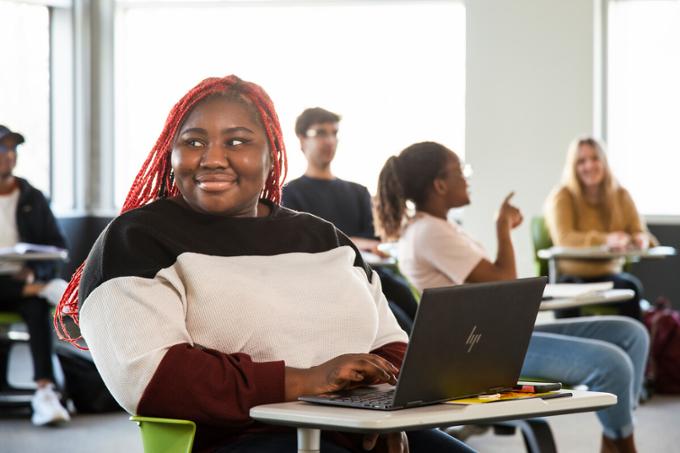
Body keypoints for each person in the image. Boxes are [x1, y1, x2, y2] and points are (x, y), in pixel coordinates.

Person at [55, 77, 473, 453]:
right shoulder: (136, 239)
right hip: (240, 437)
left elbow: (391, 344)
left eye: (237, 141)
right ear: (171, 152)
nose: (213, 158)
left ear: (273, 154)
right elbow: (149, 375)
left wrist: (381, 411)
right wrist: (306, 381)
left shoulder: (324, 238)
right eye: (194, 142)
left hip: (357, 430)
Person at [374, 141, 649, 453]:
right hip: (478, 351)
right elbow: (505, 282)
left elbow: (497, 290)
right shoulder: (429, 233)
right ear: (439, 185)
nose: (467, 177)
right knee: (612, 365)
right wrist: (502, 226)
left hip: (496, 336)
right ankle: (623, 443)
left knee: (630, 334)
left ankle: (614, 436)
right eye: (460, 171)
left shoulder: (442, 228)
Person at [282, 107, 418, 331]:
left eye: (334, 133)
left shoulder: (358, 192)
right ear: (301, 139)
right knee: (395, 324)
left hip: (371, 276)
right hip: (328, 286)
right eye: (320, 133)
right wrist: (359, 243)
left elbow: (373, 243)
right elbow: (303, 243)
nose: (329, 140)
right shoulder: (290, 193)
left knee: (413, 314)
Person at [0, 124, 70, 425]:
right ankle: (44, 288)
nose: (9, 155)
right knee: (42, 294)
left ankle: (45, 391)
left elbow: (56, 247)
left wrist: (34, 271)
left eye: (13, 149)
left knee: (38, 308)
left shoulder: (33, 197)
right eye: (3, 149)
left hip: (21, 281)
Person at [544, 137, 657, 320]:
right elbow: (565, 238)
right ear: (573, 166)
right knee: (567, 294)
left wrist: (639, 239)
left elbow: (643, 234)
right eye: (581, 161)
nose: (589, 166)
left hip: (608, 276)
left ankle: (631, 345)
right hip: (572, 277)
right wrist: (606, 239)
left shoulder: (621, 196)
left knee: (632, 287)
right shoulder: (562, 196)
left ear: (603, 161)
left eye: (594, 158)